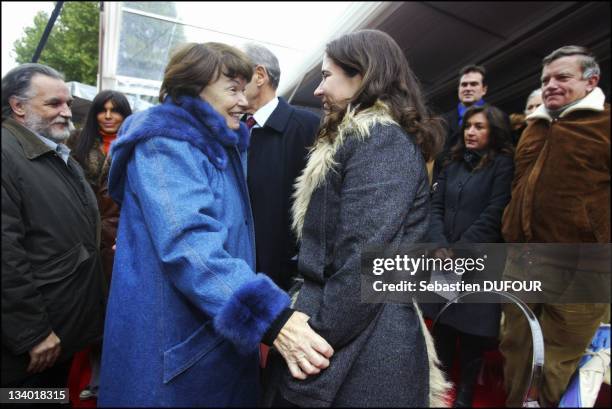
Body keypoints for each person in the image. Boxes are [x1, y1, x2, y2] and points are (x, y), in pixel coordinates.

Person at [98, 42, 333, 407]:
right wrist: (269, 318)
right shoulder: (166, 142)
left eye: (245, 89)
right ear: (194, 88)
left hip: (207, 334)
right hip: (177, 344)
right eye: (233, 89)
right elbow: (189, 243)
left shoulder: (215, 143)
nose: (244, 100)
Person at [263, 29, 450, 407]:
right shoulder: (361, 139)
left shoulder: (380, 140)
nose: (318, 89)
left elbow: (364, 262)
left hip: (361, 342)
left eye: (326, 75)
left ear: (362, 75)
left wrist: (313, 335)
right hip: (353, 329)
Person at [500, 45, 609, 407]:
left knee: (559, 359)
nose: (551, 85)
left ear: (591, 81)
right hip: (523, 258)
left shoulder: (606, 124)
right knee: (515, 347)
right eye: (546, 79)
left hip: (584, 266)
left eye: (563, 77)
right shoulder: (533, 127)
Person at [1, 63, 105, 388]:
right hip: (32, 345)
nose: (66, 112)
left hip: (60, 332)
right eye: (53, 104)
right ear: (18, 106)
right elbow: (5, 256)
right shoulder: (7, 155)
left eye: (68, 104)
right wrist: (32, 332)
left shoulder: (51, 150)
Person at [426, 104, 514, 407]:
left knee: (473, 333)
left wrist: (458, 251)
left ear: (495, 132)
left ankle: (464, 395)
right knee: (444, 327)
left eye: (480, 127)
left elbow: (494, 213)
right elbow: (435, 206)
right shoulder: (452, 163)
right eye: (468, 127)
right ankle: (440, 390)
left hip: (479, 261)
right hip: (443, 257)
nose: (471, 132)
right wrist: (438, 244)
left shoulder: (503, 165)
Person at [67, 90, 132, 401]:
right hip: (81, 235)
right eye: (103, 110)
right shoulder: (76, 144)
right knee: (86, 304)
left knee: (113, 307)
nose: (108, 116)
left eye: (115, 110)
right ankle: (87, 376)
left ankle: (106, 375)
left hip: (119, 237)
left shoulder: (132, 144)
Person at [242, 43, 320, 291]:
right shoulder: (231, 128)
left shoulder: (307, 127)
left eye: (235, 76)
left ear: (260, 75)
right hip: (237, 265)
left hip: (283, 276)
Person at [433, 65, 509, 182]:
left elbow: (504, 154)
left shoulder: (499, 118)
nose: (468, 88)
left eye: (474, 84)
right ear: (458, 89)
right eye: (464, 84)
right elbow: (438, 157)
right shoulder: (442, 121)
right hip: (447, 185)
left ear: (484, 89)